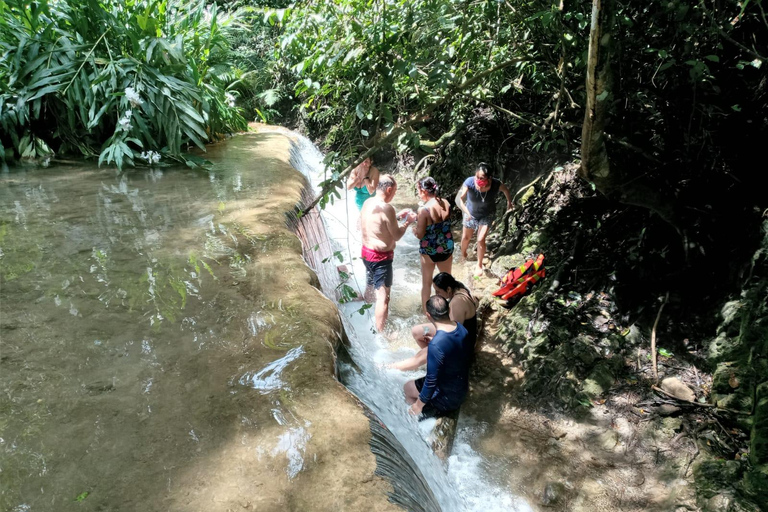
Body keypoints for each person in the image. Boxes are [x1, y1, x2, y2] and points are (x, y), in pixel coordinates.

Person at [360, 174, 417, 332]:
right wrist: (408, 221)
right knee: (383, 298)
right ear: (389, 189)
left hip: (366, 253)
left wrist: (397, 216)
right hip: (381, 258)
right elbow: (397, 235)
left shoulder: (368, 202)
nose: (394, 194)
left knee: (371, 287)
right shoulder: (387, 208)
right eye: (395, 191)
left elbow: (378, 223)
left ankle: (365, 305)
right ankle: (380, 333)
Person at [390, 272, 478, 371]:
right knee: (418, 331)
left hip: (462, 348)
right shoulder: (459, 288)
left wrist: (434, 341)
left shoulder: (457, 303)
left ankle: (392, 368)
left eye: (438, 291)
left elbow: (454, 337)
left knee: (422, 355)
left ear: (448, 289)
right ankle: (435, 360)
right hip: (455, 335)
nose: (436, 295)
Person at [404, 295, 473, 418]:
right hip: (461, 388)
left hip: (447, 398)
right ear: (449, 310)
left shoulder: (436, 345)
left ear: (428, 315)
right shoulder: (461, 328)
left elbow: (431, 381)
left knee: (408, 388)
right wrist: (436, 343)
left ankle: (415, 418)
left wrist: (418, 405)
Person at [455, 162, 513, 277]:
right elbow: (460, 199)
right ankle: (463, 255)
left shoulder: (496, 184)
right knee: (466, 237)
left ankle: (479, 264)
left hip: (487, 214)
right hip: (470, 213)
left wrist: (509, 202)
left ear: (489, 178)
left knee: (480, 239)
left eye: (482, 178)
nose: (478, 180)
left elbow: (506, 190)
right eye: (477, 177)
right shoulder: (469, 182)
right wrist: (466, 212)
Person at [411, 177, 454, 312]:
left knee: (427, 283)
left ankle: (427, 313)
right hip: (446, 247)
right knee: (446, 282)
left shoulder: (423, 210)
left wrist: (414, 227)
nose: (418, 193)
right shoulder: (446, 203)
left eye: (418, 190)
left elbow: (420, 234)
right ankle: (448, 309)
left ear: (423, 191)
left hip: (430, 250)